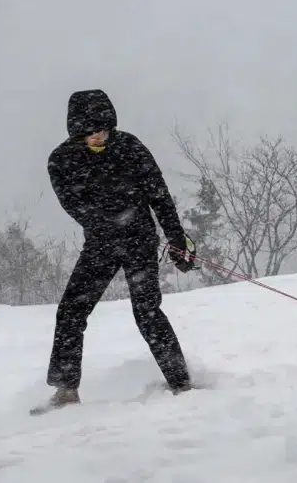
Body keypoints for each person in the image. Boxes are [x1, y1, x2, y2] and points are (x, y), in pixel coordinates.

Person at [41, 89, 197, 410]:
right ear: (76, 131)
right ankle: (65, 391)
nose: (98, 136)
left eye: (102, 129)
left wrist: (177, 240)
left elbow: (159, 195)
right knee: (71, 311)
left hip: (140, 241)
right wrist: (109, 222)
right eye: (89, 132)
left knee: (147, 313)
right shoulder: (61, 160)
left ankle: (181, 382)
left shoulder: (130, 147)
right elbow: (74, 205)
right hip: (101, 245)